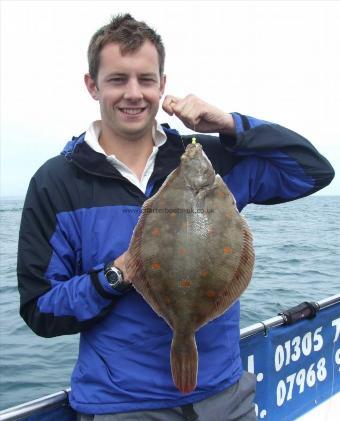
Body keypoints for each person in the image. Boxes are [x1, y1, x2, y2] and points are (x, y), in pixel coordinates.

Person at [17, 13, 334, 421]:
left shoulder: (210, 157)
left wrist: (231, 125)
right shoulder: (56, 182)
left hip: (226, 397)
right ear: (92, 85)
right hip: (121, 407)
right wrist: (111, 278)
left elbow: (311, 170)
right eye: (118, 79)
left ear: (163, 85)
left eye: (146, 79)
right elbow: (41, 310)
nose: (134, 93)